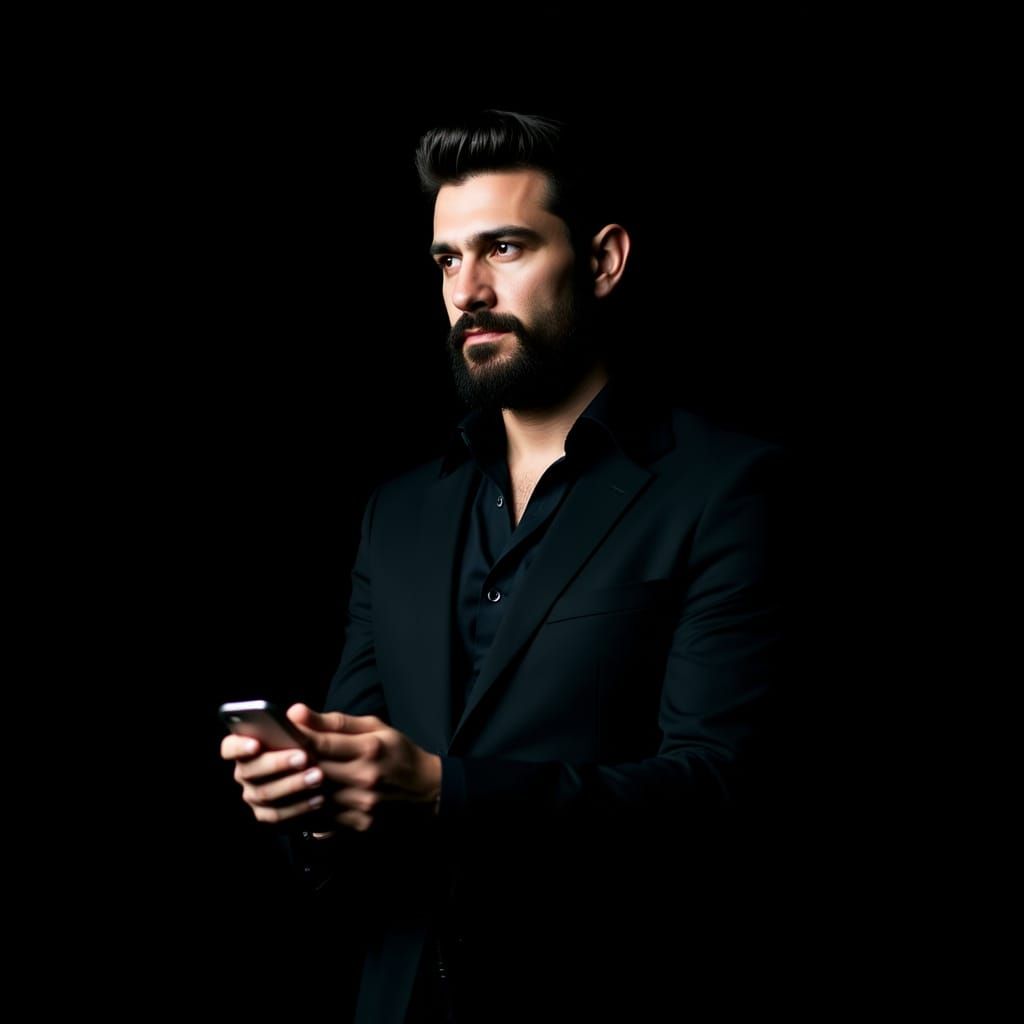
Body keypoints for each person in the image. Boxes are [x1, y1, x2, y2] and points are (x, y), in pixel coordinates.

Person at [221, 110, 790, 1023]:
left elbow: (722, 798)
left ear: (603, 261)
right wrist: (314, 795)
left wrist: (445, 792)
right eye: (448, 260)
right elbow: (356, 815)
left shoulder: (727, 488)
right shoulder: (399, 513)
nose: (469, 291)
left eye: (506, 249)